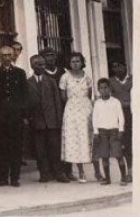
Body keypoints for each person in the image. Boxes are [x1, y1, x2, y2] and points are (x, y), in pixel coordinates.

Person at [26, 55, 68, 183]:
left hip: (52, 122)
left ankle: (59, 173)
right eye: (38, 64)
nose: (42, 67)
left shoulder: (51, 81)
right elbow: (26, 103)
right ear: (32, 66)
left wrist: (59, 119)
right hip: (37, 122)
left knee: (55, 148)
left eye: (43, 64)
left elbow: (57, 101)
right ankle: (44, 173)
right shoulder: (28, 83)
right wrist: (29, 118)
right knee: (40, 150)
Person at [0, 45, 28, 187]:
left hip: (15, 116)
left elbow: (24, 95)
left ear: (13, 56)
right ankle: (2, 177)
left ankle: (14, 177)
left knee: (15, 147)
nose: (6, 58)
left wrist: (23, 115)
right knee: (1, 147)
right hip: (0, 116)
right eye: (3, 55)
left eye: (9, 55)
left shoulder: (20, 73)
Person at [59, 52, 93, 183]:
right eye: (72, 61)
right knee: (76, 139)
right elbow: (63, 96)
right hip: (71, 110)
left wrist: (85, 107)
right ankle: (80, 172)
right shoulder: (65, 77)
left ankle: (95, 170)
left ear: (82, 62)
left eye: (78, 61)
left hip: (85, 110)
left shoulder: (87, 78)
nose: (75, 64)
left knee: (86, 137)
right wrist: (73, 105)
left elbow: (89, 95)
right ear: (69, 63)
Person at [92, 78, 128, 186]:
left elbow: (120, 117)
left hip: (114, 131)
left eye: (106, 88)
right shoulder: (97, 103)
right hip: (102, 132)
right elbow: (95, 118)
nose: (104, 90)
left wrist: (121, 129)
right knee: (104, 155)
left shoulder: (115, 102)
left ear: (110, 88)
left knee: (118, 154)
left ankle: (123, 177)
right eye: (101, 88)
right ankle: (107, 178)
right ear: (98, 90)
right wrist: (96, 131)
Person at [109, 61, 132, 181]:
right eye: (113, 67)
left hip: (133, 114)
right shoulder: (111, 82)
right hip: (119, 116)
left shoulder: (133, 79)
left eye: (119, 65)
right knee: (124, 144)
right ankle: (129, 172)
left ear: (125, 66)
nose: (116, 69)